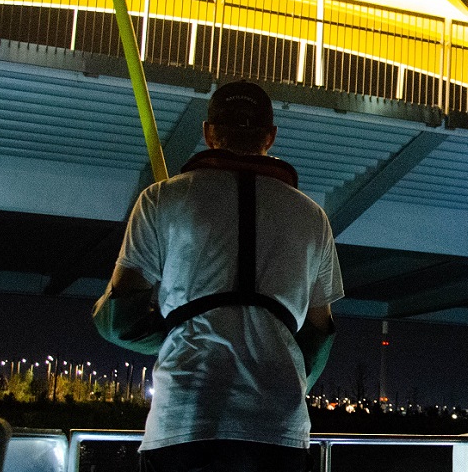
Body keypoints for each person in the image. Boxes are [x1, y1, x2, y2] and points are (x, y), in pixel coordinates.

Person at [93, 80, 341, 472]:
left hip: (185, 419)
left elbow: (120, 318)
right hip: (278, 426)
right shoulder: (313, 218)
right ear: (270, 138)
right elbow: (319, 331)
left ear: (208, 133)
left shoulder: (162, 199)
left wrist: (179, 328)